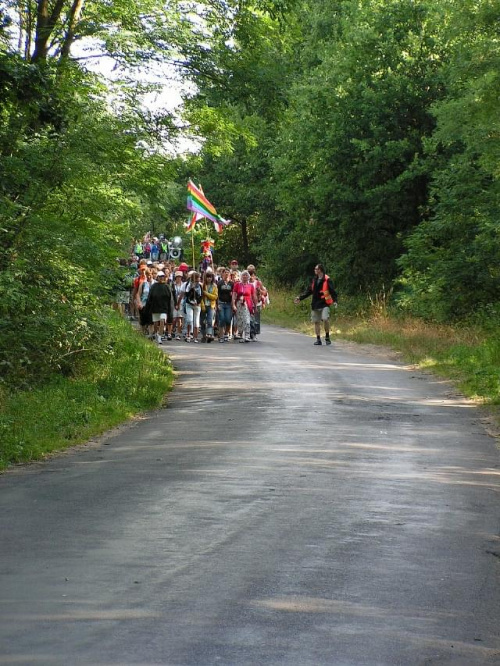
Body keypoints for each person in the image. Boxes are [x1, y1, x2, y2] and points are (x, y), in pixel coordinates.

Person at [294, 264, 337, 345]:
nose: (314, 270)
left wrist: (335, 301)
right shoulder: (314, 280)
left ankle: (327, 337)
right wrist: (300, 298)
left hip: (324, 303)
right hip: (315, 304)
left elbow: (332, 291)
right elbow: (309, 291)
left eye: (316, 269)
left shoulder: (327, 280)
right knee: (316, 321)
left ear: (320, 270)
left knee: (325, 319)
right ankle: (318, 339)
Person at [147, 271, 173, 344]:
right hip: (155, 308)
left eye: (162, 276)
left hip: (164, 308)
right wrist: (148, 307)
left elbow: (170, 298)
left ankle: (159, 336)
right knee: (155, 324)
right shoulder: (154, 286)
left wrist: (170, 308)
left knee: (162, 320)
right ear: (157, 277)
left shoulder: (167, 286)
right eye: (160, 276)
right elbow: (150, 297)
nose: (161, 278)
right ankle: (155, 333)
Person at [232, 270, 257, 343]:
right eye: (243, 275)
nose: (245, 276)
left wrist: (255, 305)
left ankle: (247, 336)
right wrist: (233, 304)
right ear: (241, 276)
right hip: (239, 304)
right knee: (240, 320)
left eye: (246, 275)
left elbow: (254, 296)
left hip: (248, 303)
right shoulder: (237, 284)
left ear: (248, 277)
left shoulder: (251, 286)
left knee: (247, 320)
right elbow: (234, 295)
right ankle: (242, 336)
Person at [217, 268, 233, 342]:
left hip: (229, 304)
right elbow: (217, 294)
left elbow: (234, 294)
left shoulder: (232, 283)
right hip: (221, 303)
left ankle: (226, 333)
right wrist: (217, 304)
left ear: (230, 274)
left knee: (228, 319)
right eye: (225, 272)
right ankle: (221, 336)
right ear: (222, 274)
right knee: (222, 319)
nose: (226, 274)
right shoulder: (219, 283)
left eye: (228, 272)